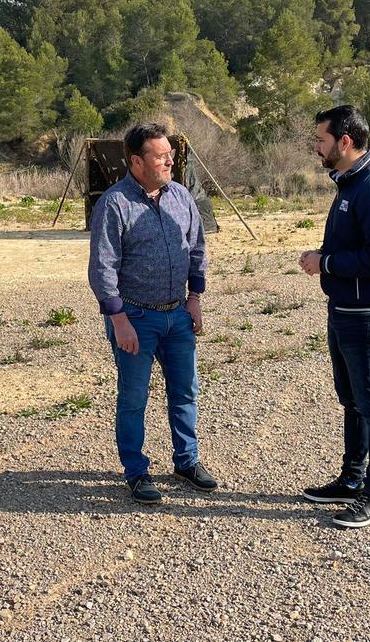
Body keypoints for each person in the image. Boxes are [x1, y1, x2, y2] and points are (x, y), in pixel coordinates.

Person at [88, 123, 217, 504]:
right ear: (136, 161)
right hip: (136, 319)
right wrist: (119, 320)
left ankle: (187, 461)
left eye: (170, 155)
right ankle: (136, 471)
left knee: (185, 391)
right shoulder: (114, 204)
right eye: (161, 156)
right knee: (133, 398)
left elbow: (197, 249)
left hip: (177, 315)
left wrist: (194, 298)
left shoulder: (181, 196)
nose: (169, 161)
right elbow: (102, 268)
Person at [298, 105, 370, 529]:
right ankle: (352, 480)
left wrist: (326, 262)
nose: (316, 147)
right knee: (353, 400)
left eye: (321, 140)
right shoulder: (350, 183)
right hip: (345, 309)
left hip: (367, 313)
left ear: (345, 141)